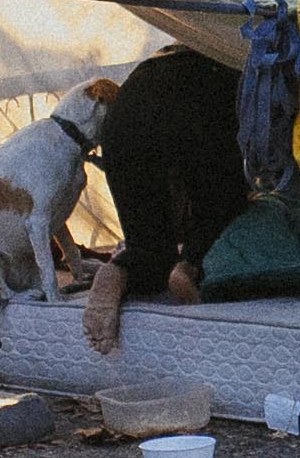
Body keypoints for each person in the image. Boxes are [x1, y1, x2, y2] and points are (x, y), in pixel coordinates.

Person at [82, 47, 250, 354]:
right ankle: (191, 266)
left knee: (148, 247)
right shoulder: (244, 43)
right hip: (200, 98)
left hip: (127, 110)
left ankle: (118, 270)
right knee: (223, 209)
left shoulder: (189, 34)